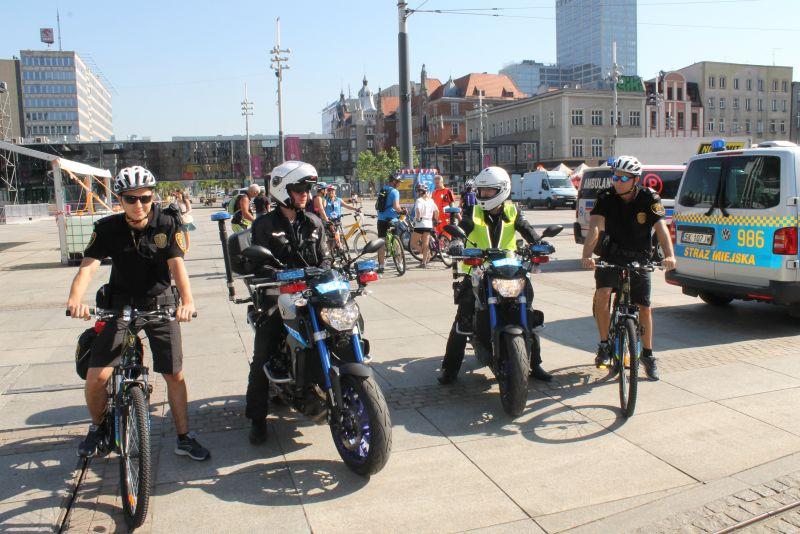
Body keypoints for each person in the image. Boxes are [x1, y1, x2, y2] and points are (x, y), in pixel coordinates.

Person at [66, 166, 210, 461]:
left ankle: (184, 437)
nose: (138, 205)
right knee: (97, 377)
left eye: (144, 198)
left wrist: (188, 302)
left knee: (174, 374)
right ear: (120, 200)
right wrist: (75, 300)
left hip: (160, 303)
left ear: (152, 196)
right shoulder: (107, 228)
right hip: (120, 305)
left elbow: (177, 267)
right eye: (130, 199)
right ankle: (98, 427)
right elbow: (89, 266)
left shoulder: (167, 223)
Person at [438, 166, 552, 385]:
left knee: (527, 310)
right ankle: (450, 368)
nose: (483, 195)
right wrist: (457, 242)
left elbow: (528, 231)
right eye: (481, 191)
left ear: (502, 190)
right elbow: (464, 227)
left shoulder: (513, 211)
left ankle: (535, 363)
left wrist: (540, 243)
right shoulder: (474, 211)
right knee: (463, 318)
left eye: (489, 191)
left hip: (509, 269)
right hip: (479, 270)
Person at [246, 161, 330, 444]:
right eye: (298, 189)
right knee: (263, 353)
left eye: (308, 189)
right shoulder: (264, 225)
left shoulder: (315, 222)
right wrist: (277, 276)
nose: (305, 194)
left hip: (312, 295)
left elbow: (326, 259)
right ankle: (257, 418)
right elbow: (258, 266)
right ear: (283, 191)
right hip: (275, 296)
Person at [580, 155, 677, 381]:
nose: (618, 181)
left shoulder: (648, 197)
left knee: (644, 307)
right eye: (615, 176)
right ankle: (604, 344)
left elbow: (661, 229)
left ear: (635, 179)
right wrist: (586, 255)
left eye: (624, 177)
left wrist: (670, 255)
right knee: (602, 295)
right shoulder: (605, 196)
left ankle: (648, 355)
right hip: (611, 254)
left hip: (640, 256)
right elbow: (595, 228)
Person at [376, 174, 406, 273]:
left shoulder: (383, 189)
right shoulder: (394, 192)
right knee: (396, 242)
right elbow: (396, 206)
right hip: (392, 220)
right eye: (398, 182)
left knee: (381, 242)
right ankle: (400, 264)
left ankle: (381, 266)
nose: (399, 184)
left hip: (381, 220)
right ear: (394, 182)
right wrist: (402, 211)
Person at [412, 183, 438, 268]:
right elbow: (437, 211)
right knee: (425, 244)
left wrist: (418, 218)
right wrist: (435, 220)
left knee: (413, 243)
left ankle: (428, 255)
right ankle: (423, 263)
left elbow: (418, 210)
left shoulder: (419, 200)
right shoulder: (431, 200)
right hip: (429, 224)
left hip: (420, 224)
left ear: (420, 192)